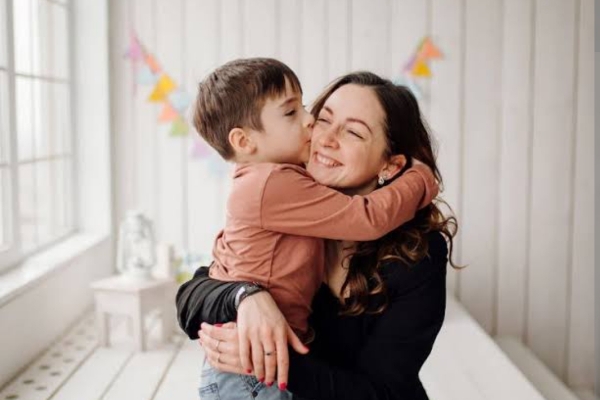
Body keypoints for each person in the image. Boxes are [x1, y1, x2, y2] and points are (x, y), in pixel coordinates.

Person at [177, 71, 459, 400]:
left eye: (353, 132)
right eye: (324, 119)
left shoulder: (419, 253)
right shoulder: (285, 200)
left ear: (390, 165)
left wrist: (272, 361)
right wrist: (246, 296)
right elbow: (192, 296)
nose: (325, 138)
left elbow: (383, 390)